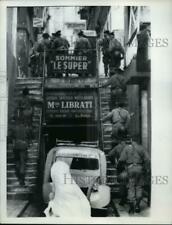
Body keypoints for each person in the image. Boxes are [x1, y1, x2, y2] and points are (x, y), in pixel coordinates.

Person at [117, 135, 150, 214]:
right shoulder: (142, 148)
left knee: (131, 187)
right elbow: (148, 160)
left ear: (131, 140)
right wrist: (146, 169)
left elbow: (121, 160)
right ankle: (137, 206)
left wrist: (119, 167)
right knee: (139, 187)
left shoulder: (127, 148)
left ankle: (131, 208)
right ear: (139, 141)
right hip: (140, 169)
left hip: (130, 169)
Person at [10, 116, 33, 186]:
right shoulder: (27, 128)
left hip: (16, 147)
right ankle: (22, 180)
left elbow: (11, 138)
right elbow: (30, 137)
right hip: (23, 147)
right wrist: (28, 143)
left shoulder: (14, 128)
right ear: (24, 122)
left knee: (17, 162)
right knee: (23, 163)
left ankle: (19, 176)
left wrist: (13, 143)